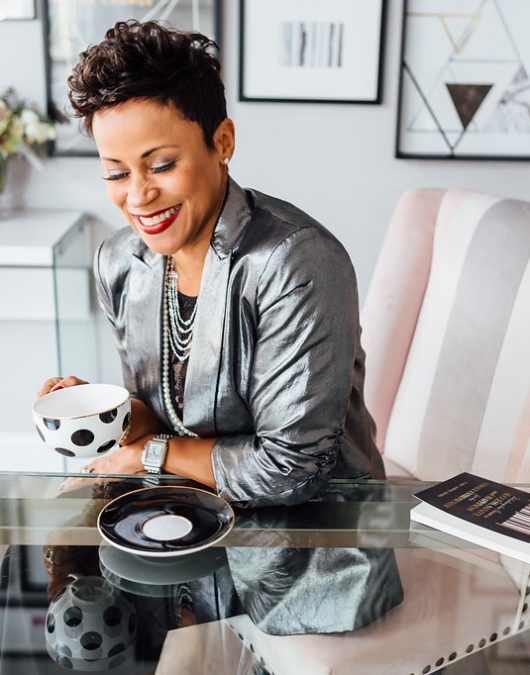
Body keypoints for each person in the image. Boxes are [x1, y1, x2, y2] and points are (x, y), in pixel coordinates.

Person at [37, 20, 384, 507]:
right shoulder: (119, 261)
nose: (138, 196)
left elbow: (291, 472)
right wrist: (105, 414)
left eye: (161, 165)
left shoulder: (296, 262)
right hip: (187, 522)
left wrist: (150, 455)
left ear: (222, 142)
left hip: (312, 537)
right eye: (115, 173)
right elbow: (164, 416)